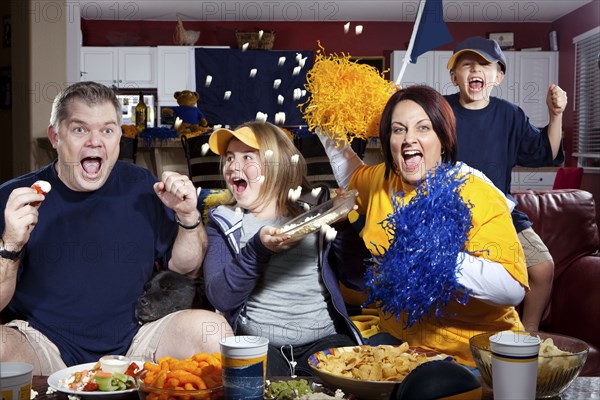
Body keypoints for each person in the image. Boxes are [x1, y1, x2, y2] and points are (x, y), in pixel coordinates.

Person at [0, 81, 232, 375]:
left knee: (213, 332)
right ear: (55, 137)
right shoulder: (14, 198)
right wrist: (10, 245)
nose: (95, 142)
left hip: (137, 340)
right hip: (43, 343)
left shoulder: (141, 185)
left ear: (119, 137)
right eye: (80, 129)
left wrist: (187, 216)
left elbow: (186, 269)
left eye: (107, 130)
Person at [318, 85, 528, 366]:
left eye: (423, 128)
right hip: (402, 344)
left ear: (444, 138)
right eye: (398, 129)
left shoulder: (474, 192)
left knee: (426, 387)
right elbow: (353, 176)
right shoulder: (384, 179)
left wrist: (438, 256)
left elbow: (512, 289)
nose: (409, 139)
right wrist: (327, 126)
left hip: (470, 352)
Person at [202, 121, 370, 376]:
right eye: (229, 158)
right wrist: (258, 250)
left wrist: (343, 226)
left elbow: (358, 279)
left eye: (248, 156)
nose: (234, 166)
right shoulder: (224, 220)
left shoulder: (316, 208)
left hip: (325, 340)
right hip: (261, 346)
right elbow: (220, 297)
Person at [445, 36, 567, 331]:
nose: (476, 70)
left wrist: (556, 115)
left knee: (542, 267)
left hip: (500, 215)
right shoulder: (440, 110)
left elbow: (546, 154)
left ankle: (528, 334)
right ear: (454, 76)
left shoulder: (510, 114)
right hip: (449, 214)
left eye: (485, 65)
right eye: (467, 64)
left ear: (497, 77)